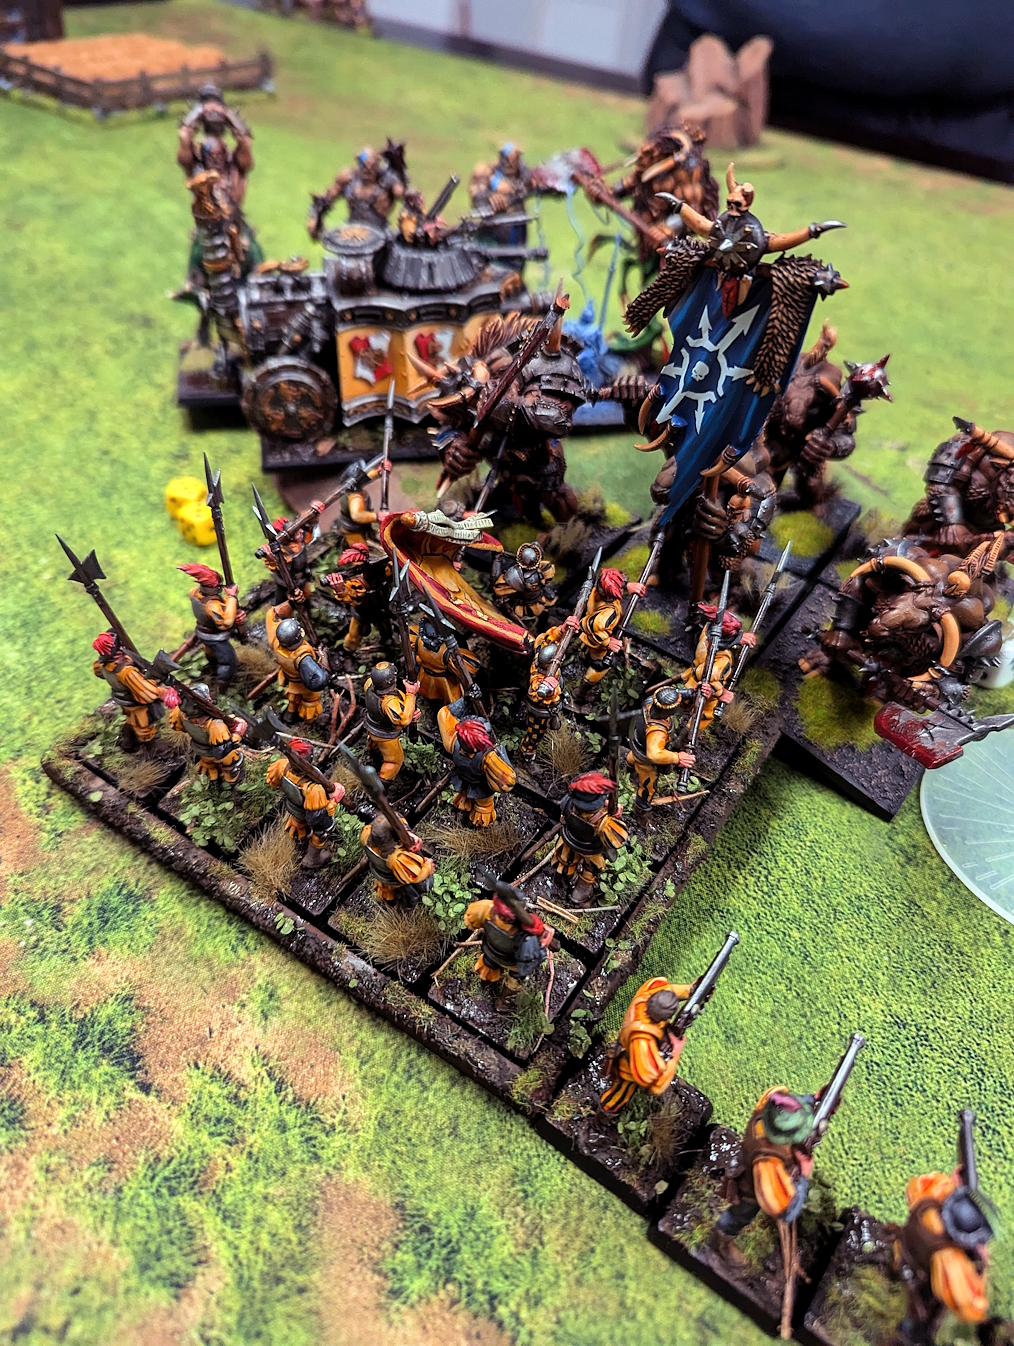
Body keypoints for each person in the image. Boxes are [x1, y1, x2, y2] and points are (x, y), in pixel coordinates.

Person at [716, 1088, 818, 1238]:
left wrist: (813, 1098)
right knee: (741, 1214)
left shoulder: (767, 1106)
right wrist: (803, 1175)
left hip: (744, 1165)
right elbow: (787, 1212)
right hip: (751, 1189)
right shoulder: (768, 1164)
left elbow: (788, 1103)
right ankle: (722, 1234)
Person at [599, 975, 694, 1113]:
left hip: (622, 1047)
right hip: (628, 1066)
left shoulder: (647, 995)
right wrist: (674, 1056)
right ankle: (603, 1115)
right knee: (619, 1095)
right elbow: (654, 1083)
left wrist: (690, 990)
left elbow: (669, 990)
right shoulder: (642, 1040)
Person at [463, 881, 555, 1009]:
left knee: (488, 965)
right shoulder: (525, 936)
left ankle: (486, 984)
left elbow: (470, 921)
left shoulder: (486, 909)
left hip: (490, 952)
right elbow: (529, 961)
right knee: (516, 978)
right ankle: (503, 1002)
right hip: (512, 963)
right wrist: (543, 943)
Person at [92, 630, 179, 752]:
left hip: (124, 701)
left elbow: (99, 672)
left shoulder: (103, 666)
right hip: (136, 703)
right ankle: (152, 747)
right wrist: (163, 692)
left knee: (130, 719)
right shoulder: (127, 672)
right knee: (144, 724)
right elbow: (146, 692)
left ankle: (128, 742)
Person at [551, 771, 629, 904]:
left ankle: (561, 879)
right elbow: (619, 839)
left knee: (565, 859)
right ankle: (580, 892)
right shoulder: (604, 822)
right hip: (590, 850)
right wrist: (615, 817)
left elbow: (563, 815)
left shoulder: (569, 803)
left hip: (569, 840)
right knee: (590, 869)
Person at [266, 740, 345, 869]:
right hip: (305, 811)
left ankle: (300, 846)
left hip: (294, 808)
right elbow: (317, 817)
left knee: (298, 825)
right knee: (321, 833)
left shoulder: (281, 766)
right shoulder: (313, 789)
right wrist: (334, 800)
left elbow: (274, 782)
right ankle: (312, 859)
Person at [437, 703, 515, 827]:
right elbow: (508, 780)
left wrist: (462, 702)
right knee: (482, 806)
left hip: (469, 781)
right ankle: (478, 819)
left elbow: (444, 714)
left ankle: (472, 814)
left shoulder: (453, 743)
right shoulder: (488, 757)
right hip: (476, 784)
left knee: (473, 800)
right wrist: (501, 753)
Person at [626, 686, 696, 812]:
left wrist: (690, 693)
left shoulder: (650, 701)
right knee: (648, 787)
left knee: (632, 758)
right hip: (645, 758)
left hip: (638, 745)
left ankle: (630, 773)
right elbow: (654, 755)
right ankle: (641, 810)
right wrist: (677, 757)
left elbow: (670, 694)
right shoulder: (657, 730)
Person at [177, 563, 244, 685]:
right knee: (228, 660)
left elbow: (222, 611)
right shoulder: (212, 605)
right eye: (218, 586)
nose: (220, 588)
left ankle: (212, 665)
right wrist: (232, 596)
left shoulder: (194, 593)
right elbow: (227, 621)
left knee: (211, 652)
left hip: (202, 632)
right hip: (214, 637)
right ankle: (223, 683)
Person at [167, 685, 246, 784]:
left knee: (208, 762)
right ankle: (231, 776)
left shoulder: (179, 715)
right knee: (231, 759)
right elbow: (222, 751)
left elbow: (177, 727)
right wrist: (238, 733)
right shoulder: (215, 725)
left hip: (201, 752)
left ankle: (209, 767)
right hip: (215, 754)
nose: (209, 698)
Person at [265, 604, 329, 724]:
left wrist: (290, 603)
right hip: (302, 683)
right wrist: (323, 656)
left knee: (293, 697)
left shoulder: (276, 642)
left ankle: (289, 715)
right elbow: (319, 681)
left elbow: (272, 615)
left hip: (290, 678)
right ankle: (310, 721)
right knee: (310, 702)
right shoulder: (302, 657)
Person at [360, 812, 434, 906]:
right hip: (396, 879)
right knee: (411, 893)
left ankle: (389, 899)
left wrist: (407, 832)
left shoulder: (366, 834)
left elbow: (396, 818)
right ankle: (408, 905)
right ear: (395, 838)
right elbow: (414, 877)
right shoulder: (397, 859)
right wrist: (427, 866)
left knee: (386, 889)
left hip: (381, 874)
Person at [362, 660, 419, 782]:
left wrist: (410, 708)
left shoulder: (369, 684)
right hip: (385, 734)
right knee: (394, 761)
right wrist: (411, 694)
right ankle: (382, 785)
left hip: (371, 725)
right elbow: (404, 719)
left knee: (374, 743)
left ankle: (373, 755)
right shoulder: (389, 703)